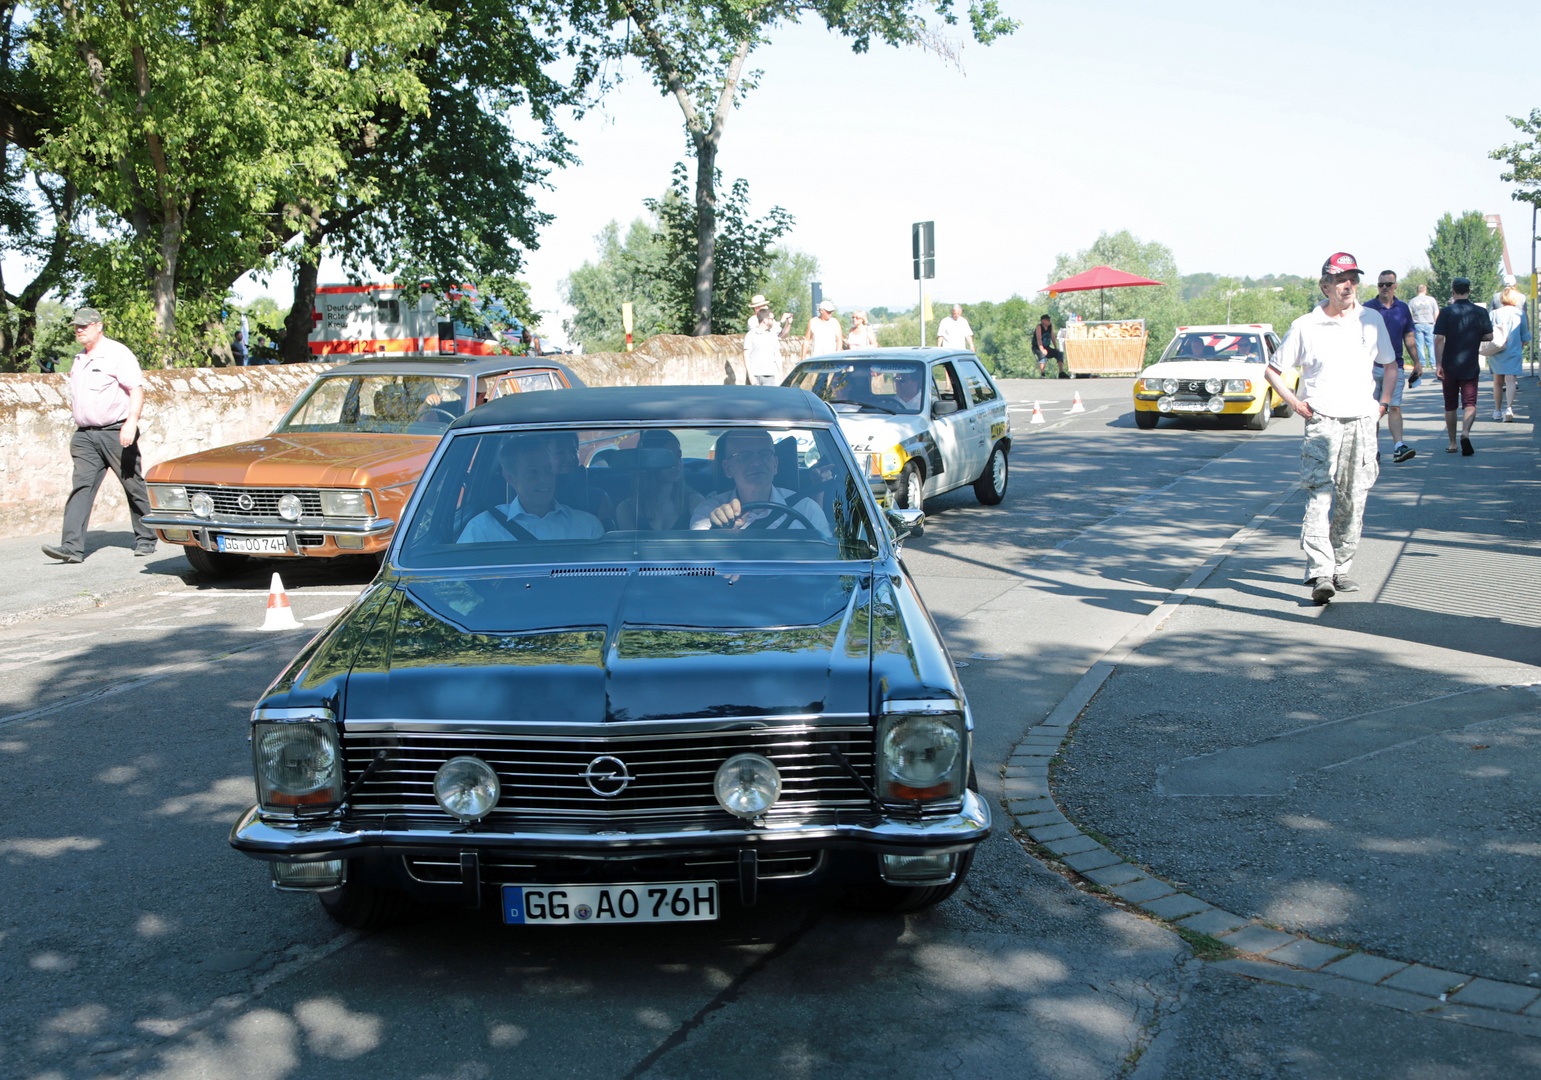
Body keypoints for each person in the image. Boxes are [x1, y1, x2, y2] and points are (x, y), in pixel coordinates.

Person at [1263, 253, 1397, 605]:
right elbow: (1273, 370)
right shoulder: (1306, 325)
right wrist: (1294, 402)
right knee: (1320, 494)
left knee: (1355, 497)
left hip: (1362, 420)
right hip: (1322, 419)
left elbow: (1391, 365)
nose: (1348, 285)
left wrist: (1382, 404)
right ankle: (1321, 570)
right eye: (1340, 279)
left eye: (1352, 277)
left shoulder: (1371, 321)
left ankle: (1341, 567)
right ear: (1325, 286)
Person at [43, 307, 157, 563]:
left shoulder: (117, 353)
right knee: (81, 488)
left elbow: (135, 389)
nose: (79, 330)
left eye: (84, 325)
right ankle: (71, 548)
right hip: (85, 436)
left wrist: (131, 422)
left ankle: (147, 538)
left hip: (116, 431)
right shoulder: (79, 358)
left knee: (133, 484)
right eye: (76, 327)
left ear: (99, 326)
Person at [457, 433, 605, 542]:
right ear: (510, 477)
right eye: (532, 472)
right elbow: (459, 583)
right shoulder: (482, 529)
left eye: (548, 469)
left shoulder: (587, 526)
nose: (544, 479)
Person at [691, 428, 828, 532]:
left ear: (775, 464)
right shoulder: (708, 514)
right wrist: (721, 533)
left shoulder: (806, 509)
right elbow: (703, 567)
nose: (756, 462)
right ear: (728, 468)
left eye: (764, 454)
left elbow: (826, 562)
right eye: (744, 456)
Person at [1433, 277, 1493, 456]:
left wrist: (1438, 364)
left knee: (1450, 404)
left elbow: (1438, 339)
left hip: (1449, 364)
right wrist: (1475, 336)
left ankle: (1452, 443)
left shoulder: (1446, 312)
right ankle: (1465, 432)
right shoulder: (1480, 312)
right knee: (1470, 403)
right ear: (1469, 291)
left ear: (1453, 291)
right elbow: (1489, 336)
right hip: (1470, 364)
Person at [1365, 270, 1421, 463]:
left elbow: (1409, 336)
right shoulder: (1367, 309)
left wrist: (1417, 362)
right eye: (1381, 285)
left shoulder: (1403, 308)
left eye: (1388, 284)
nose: (1385, 288)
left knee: (1395, 407)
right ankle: (1373, 448)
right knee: (1371, 409)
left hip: (1395, 366)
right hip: (1371, 367)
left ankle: (1399, 447)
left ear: (1395, 285)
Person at [616, 430, 704, 530]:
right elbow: (629, 545)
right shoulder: (628, 509)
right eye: (667, 457)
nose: (677, 463)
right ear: (649, 461)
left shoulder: (693, 502)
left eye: (679, 456)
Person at [1487, 286, 1530, 422]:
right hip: (1514, 350)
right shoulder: (1520, 313)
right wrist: (1521, 344)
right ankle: (1509, 408)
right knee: (1511, 380)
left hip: (1497, 350)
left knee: (1497, 382)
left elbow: (1488, 333)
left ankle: (1497, 410)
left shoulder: (1494, 313)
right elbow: (1525, 335)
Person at [744, 307, 785, 386]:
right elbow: (746, 356)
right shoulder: (751, 335)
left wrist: (780, 374)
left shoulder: (773, 335)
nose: (773, 321)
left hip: (770, 376)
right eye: (772, 319)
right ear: (765, 320)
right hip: (755, 375)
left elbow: (777, 355)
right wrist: (750, 375)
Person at [1408, 283, 1437, 376]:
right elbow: (1436, 311)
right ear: (1425, 290)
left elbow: (1408, 314)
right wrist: (1435, 322)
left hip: (1417, 324)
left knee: (1420, 345)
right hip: (1429, 323)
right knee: (1431, 344)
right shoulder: (1431, 300)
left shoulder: (1412, 301)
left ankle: (1423, 364)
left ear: (1417, 291)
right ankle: (1433, 364)